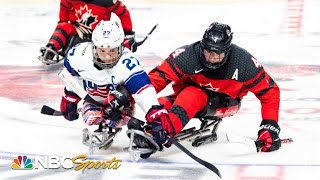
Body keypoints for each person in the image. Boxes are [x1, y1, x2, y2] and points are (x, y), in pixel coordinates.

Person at [130, 22, 281, 157]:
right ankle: (151, 130)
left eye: (218, 53)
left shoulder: (242, 62)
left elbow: (270, 91)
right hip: (191, 95)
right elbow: (156, 79)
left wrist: (270, 126)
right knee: (161, 103)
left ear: (227, 51)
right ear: (202, 46)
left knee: (192, 94)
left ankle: (165, 131)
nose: (212, 58)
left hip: (227, 102)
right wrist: (125, 98)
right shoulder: (187, 55)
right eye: (209, 51)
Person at [59, 15, 170, 150]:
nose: (107, 56)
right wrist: (69, 99)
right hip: (93, 101)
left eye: (112, 50)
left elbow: (143, 92)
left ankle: (112, 118)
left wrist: (156, 115)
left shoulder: (128, 63)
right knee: (90, 118)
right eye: (102, 50)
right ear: (94, 47)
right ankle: (105, 118)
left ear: (120, 47)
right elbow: (73, 79)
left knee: (116, 118)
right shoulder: (77, 55)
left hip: (120, 107)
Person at [39, 0, 137, 65]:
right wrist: (63, 22)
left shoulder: (108, 1)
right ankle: (52, 47)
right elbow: (64, 5)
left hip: (98, 35)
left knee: (64, 25)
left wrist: (127, 36)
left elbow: (124, 14)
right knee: (64, 26)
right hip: (77, 30)